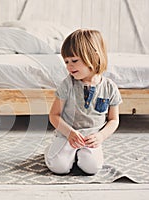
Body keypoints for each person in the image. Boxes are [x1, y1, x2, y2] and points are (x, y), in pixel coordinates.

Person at [44, 29, 122, 175]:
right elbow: (54, 115)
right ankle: (52, 150)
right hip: (67, 134)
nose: (69, 66)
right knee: (59, 167)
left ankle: (78, 155)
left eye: (74, 61)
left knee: (92, 168)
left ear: (93, 57)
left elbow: (113, 120)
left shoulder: (109, 87)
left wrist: (100, 136)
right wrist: (69, 133)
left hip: (90, 138)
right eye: (66, 62)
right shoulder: (67, 84)